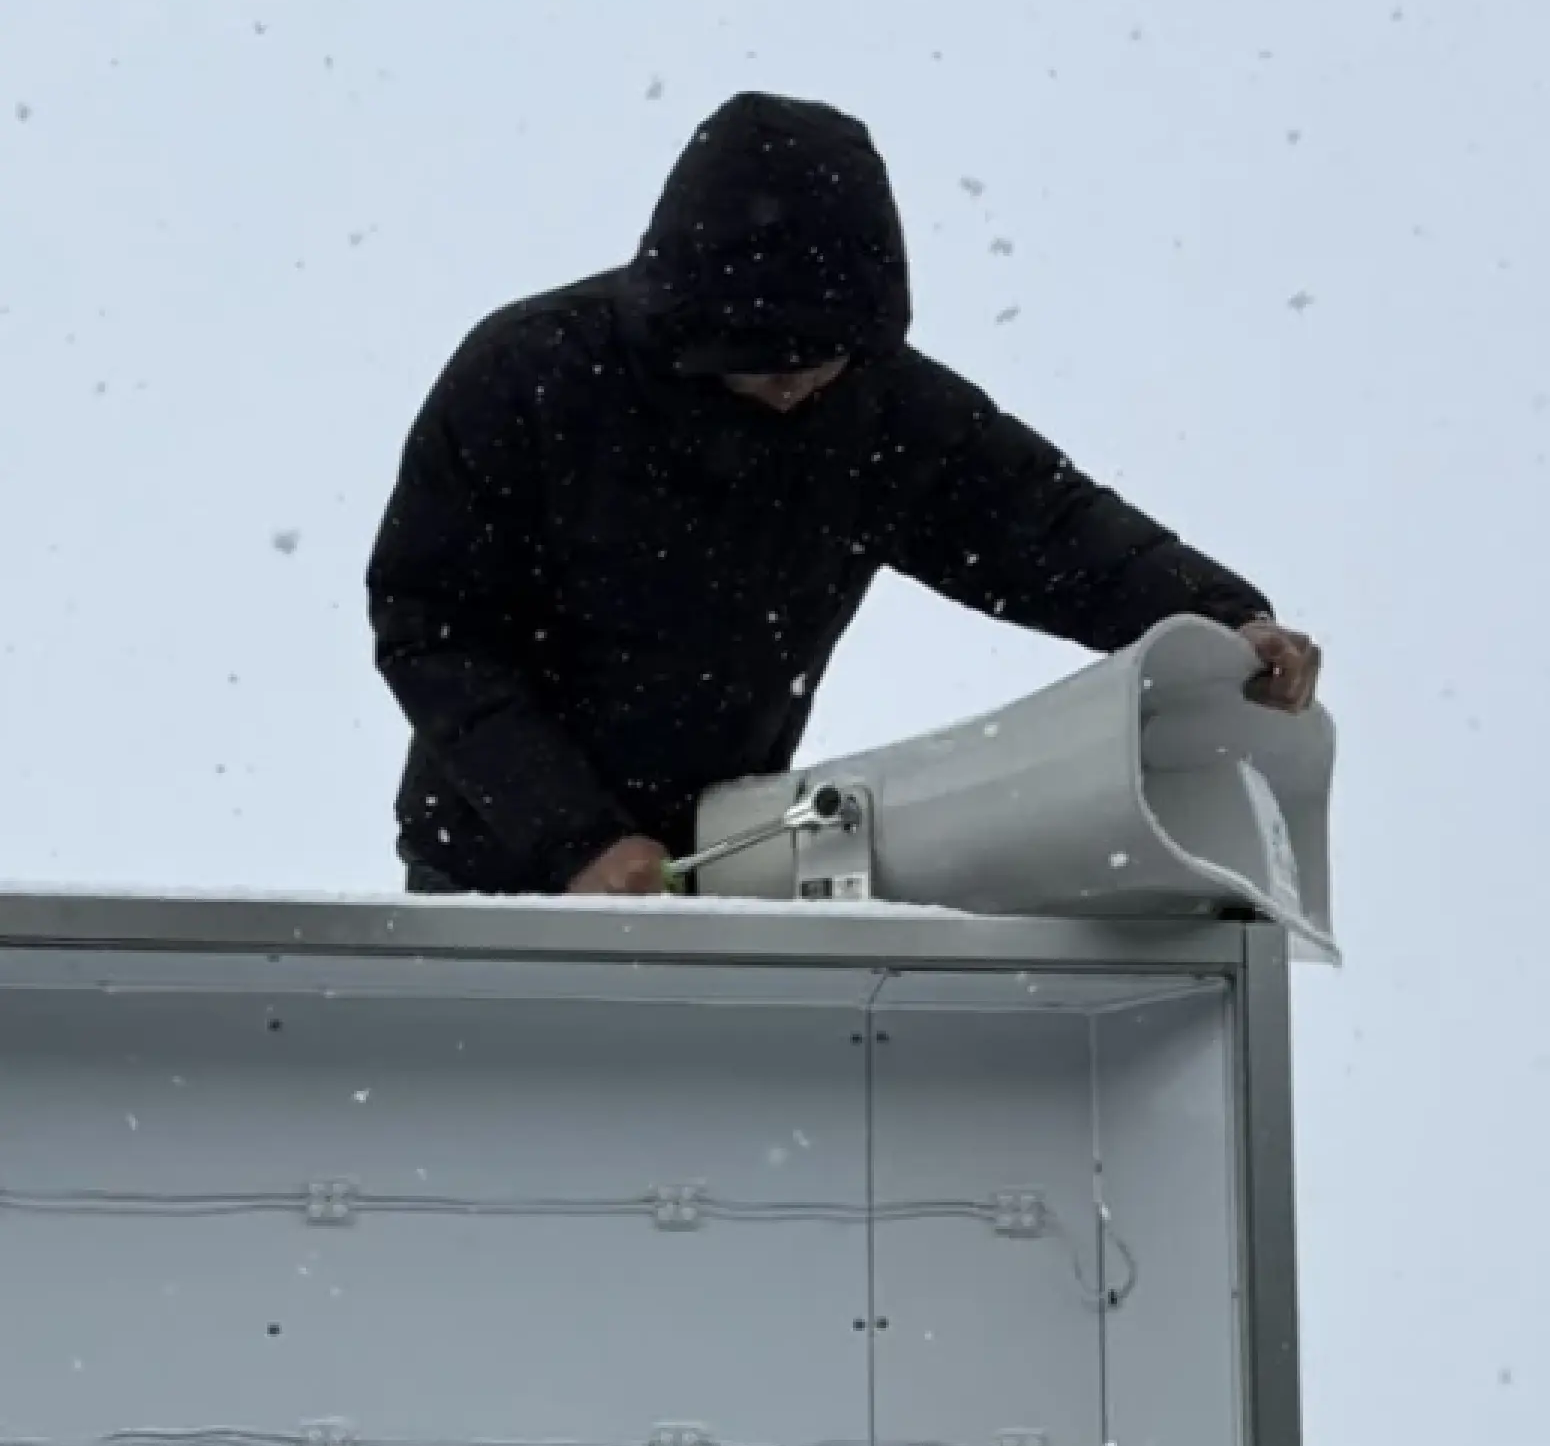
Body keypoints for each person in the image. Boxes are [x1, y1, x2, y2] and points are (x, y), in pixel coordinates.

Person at [369, 92, 1322, 897]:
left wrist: (1218, 617)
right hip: (486, 874)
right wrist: (573, 838)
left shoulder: (882, 414)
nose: (795, 383)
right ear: (689, 321)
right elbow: (432, 624)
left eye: (821, 357)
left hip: (721, 861)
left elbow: (1049, 527)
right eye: (763, 358)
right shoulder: (530, 376)